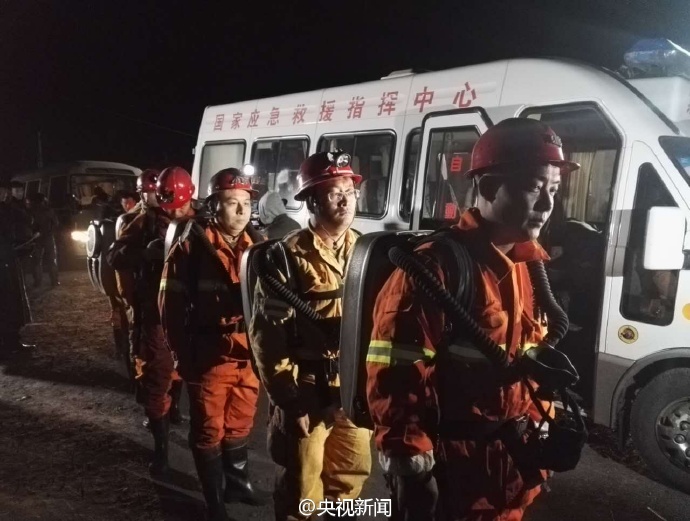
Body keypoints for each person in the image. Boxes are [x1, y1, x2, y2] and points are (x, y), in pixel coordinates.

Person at [366, 118, 580, 521]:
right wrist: (411, 467)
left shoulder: (526, 267)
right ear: (489, 187)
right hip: (455, 476)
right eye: (534, 187)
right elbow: (395, 376)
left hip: (509, 470)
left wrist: (542, 424)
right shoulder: (434, 271)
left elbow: (526, 359)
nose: (547, 204)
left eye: (553, 189)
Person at [249, 151, 372, 521]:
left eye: (350, 192)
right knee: (301, 491)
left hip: (352, 391)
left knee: (349, 484)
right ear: (311, 200)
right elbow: (268, 339)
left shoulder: (366, 251)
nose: (345, 201)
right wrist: (288, 401)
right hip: (305, 390)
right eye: (334, 193)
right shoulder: (285, 257)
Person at [159, 167, 267, 521]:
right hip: (208, 356)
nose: (242, 210)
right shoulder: (191, 249)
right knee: (209, 428)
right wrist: (181, 357)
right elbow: (170, 309)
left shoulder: (260, 248)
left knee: (241, 422)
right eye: (232, 202)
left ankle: (237, 484)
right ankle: (214, 499)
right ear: (213, 206)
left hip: (248, 355)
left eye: (247, 202)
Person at [107, 166, 194, 474]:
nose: (175, 207)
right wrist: (145, 253)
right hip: (156, 315)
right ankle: (162, 451)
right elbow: (115, 256)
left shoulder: (200, 223)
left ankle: (179, 418)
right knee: (156, 377)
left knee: (190, 376)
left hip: (193, 317)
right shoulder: (142, 223)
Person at [0, 180, 34, 359]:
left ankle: (11, 341)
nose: (4, 194)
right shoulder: (6, 210)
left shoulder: (7, 209)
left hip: (7, 259)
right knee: (9, 300)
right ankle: (10, 343)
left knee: (9, 301)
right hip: (4, 262)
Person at [25, 192, 60, 288]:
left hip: (36, 238)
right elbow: (56, 223)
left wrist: (36, 232)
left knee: (36, 261)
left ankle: (37, 282)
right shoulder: (49, 211)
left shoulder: (31, 211)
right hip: (48, 237)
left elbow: (30, 224)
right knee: (51, 260)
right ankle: (54, 281)